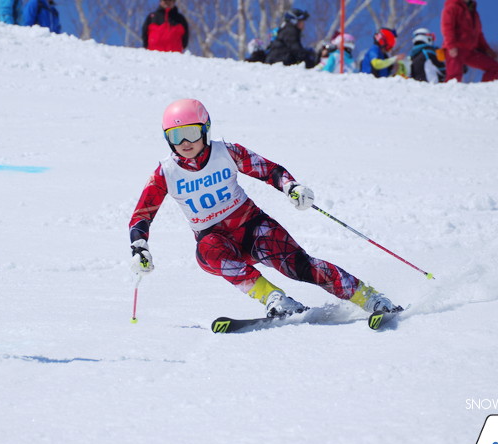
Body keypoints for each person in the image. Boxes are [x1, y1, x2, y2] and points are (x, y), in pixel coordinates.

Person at [128, 99, 399, 319]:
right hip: (218, 242)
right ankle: (275, 299)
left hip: (254, 228)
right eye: (175, 135)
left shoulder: (227, 152)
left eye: (191, 132)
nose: (184, 142)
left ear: (205, 129)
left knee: (300, 267)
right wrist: (139, 247)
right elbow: (142, 215)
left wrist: (291, 187)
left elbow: (268, 170)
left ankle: (369, 297)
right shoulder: (166, 173)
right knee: (206, 250)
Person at [441, 0, 498, 82]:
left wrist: (487, 50)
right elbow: (447, 28)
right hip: (455, 49)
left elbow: (478, 34)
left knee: (494, 67)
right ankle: (446, 94)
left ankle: (485, 92)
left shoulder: (474, 12)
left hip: (470, 51)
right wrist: (451, 45)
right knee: (454, 78)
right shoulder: (452, 7)